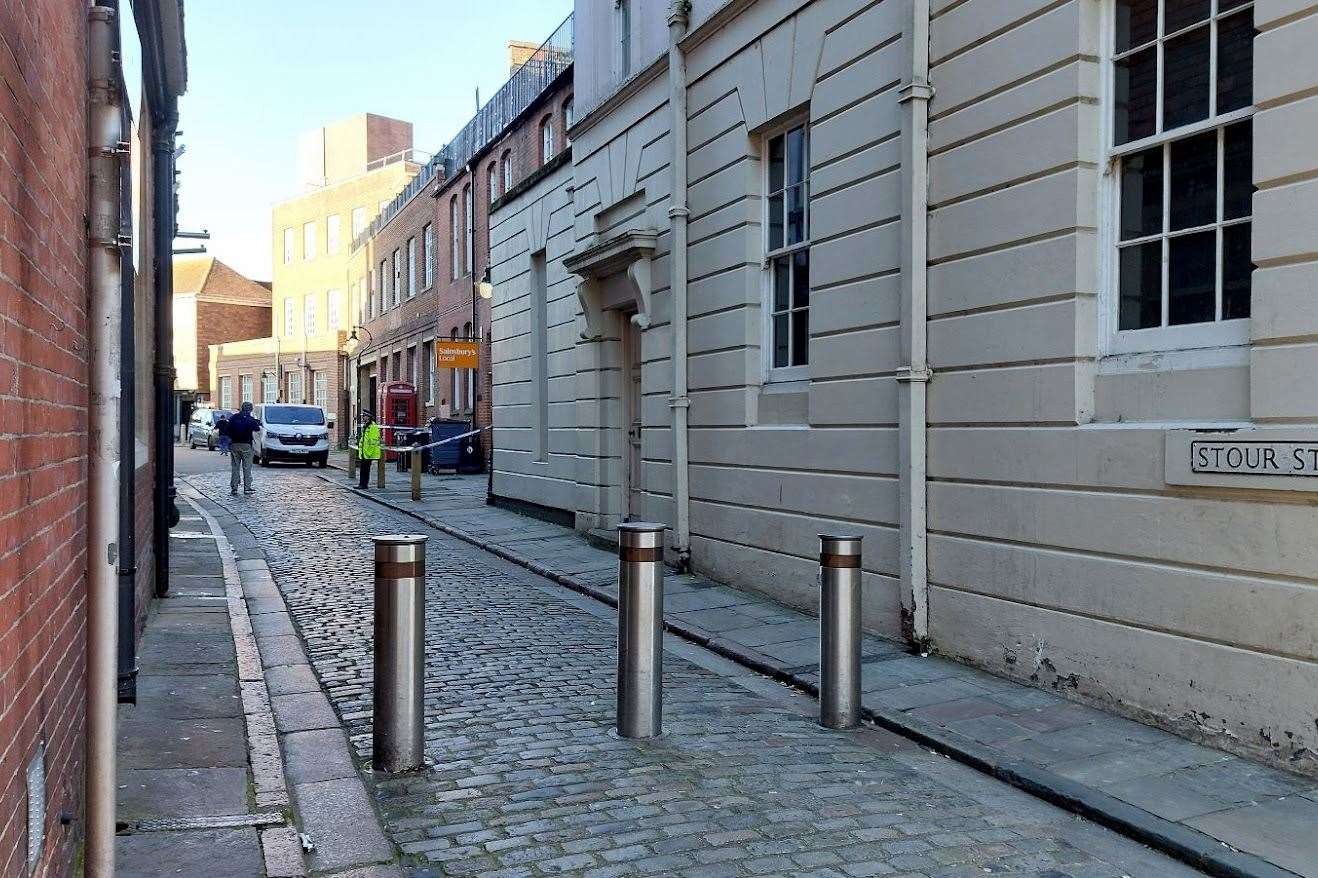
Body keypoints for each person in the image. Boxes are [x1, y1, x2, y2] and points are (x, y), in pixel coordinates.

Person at [226, 401, 262, 496]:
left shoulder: (233, 418)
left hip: (234, 444)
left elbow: (227, 430)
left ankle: (234, 487)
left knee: (235, 467)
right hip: (246, 444)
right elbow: (257, 429)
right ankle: (247, 487)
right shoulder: (250, 419)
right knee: (247, 467)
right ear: (250, 410)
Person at [357, 411, 382, 490]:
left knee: (365, 470)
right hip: (364, 452)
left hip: (369, 453)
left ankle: (364, 485)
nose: (363, 418)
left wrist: (368, 453)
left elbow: (373, 441)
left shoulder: (373, 426)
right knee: (363, 469)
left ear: (368, 417)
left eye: (364, 416)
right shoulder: (366, 426)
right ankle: (361, 484)